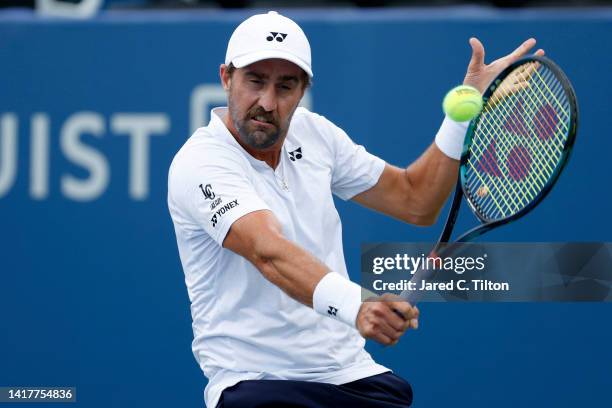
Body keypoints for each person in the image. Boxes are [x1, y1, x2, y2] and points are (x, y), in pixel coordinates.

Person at [167, 11, 544, 408]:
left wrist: (460, 117)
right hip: (259, 382)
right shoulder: (201, 162)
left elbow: (415, 200)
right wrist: (356, 304)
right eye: (255, 81)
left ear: (303, 90)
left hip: (353, 376)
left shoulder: (315, 135)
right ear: (227, 78)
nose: (267, 101)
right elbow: (267, 249)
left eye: (285, 86)